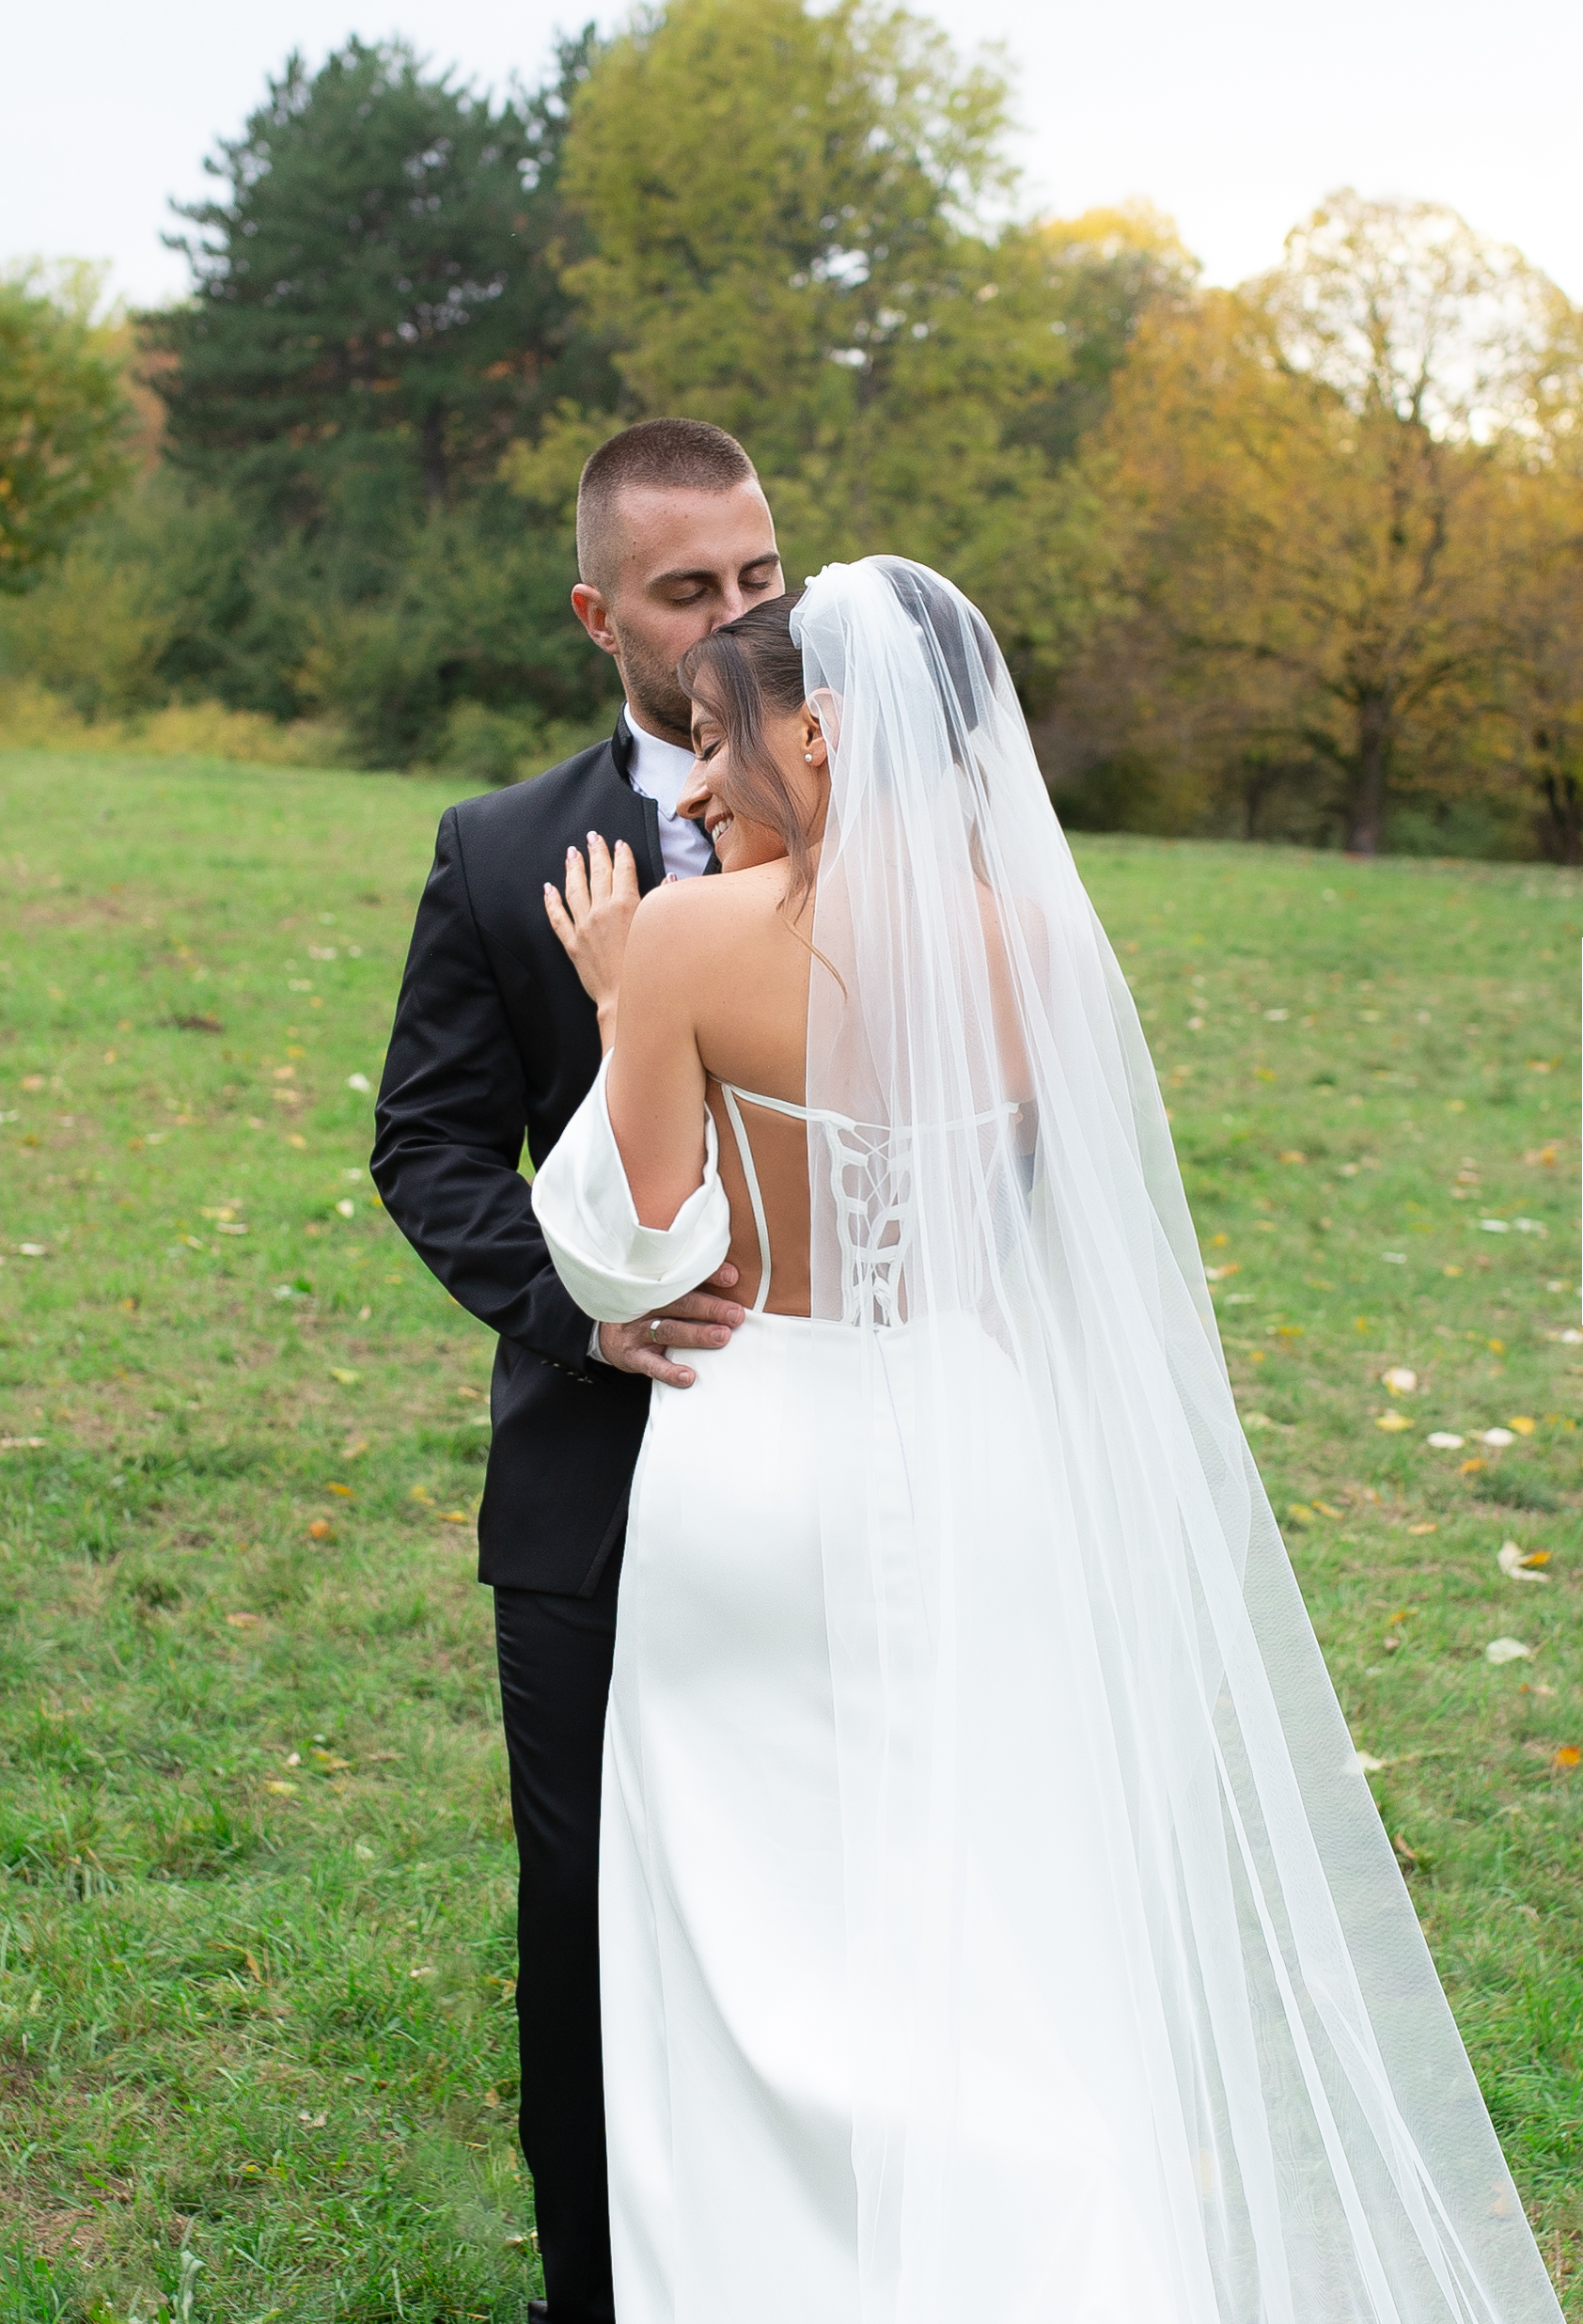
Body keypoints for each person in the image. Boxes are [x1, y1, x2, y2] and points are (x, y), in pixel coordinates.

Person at [531, 561, 1564, 2324]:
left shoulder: (691, 938)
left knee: (742, 1932)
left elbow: (635, 1247)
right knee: (986, 1917)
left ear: (825, 729)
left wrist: (628, 989)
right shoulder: (1043, 942)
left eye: (722, 742)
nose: (698, 786)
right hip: (974, 1444)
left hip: (761, 1445)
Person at [371, 419, 784, 2324]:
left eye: (757, 581)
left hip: (833, 1474)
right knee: (588, 1920)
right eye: (685, 592)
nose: (728, 625)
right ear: (595, 614)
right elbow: (430, 1146)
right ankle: (602, 2296)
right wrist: (571, 1312)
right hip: (593, 1490)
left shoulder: (898, 833)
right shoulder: (497, 852)